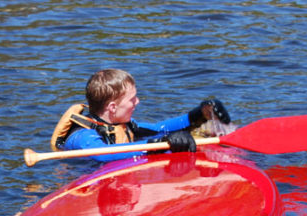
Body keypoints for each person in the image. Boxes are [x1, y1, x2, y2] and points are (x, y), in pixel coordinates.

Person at [50, 69, 232, 162]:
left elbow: (160, 129)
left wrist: (200, 114)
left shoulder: (122, 124)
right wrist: (155, 146)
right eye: (132, 99)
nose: (137, 102)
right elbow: (104, 156)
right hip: (85, 185)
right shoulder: (83, 137)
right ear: (113, 107)